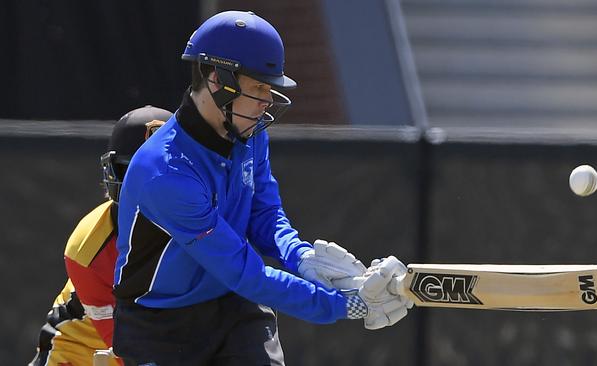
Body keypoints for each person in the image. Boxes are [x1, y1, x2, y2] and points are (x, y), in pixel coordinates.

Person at [112, 11, 412, 366]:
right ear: (216, 79)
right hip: (160, 325)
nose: (267, 101)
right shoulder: (165, 172)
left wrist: (301, 258)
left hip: (234, 307)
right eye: (258, 88)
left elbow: (265, 215)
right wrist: (342, 305)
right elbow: (245, 272)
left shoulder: (250, 132)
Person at [29, 106, 173, 366]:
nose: (146, 187)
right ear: (111, 172)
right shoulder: (89, 248)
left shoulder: (209, 224)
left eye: (160, 173)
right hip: (81, 350)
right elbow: (126, 349)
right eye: (132, 171)